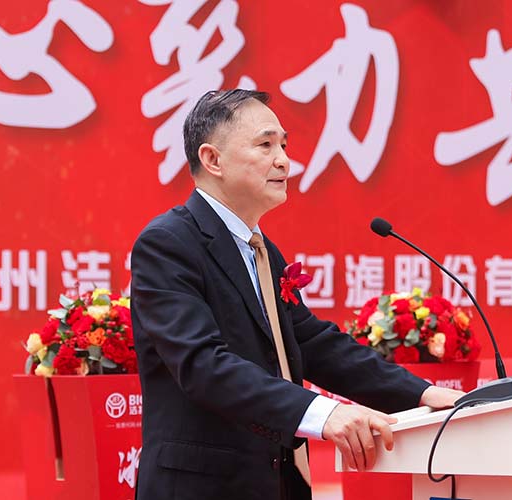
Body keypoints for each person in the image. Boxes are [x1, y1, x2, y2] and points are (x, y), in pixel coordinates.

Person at [130, 89, 464, 500]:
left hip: (277, 482)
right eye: (266, 145)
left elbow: (312, 343)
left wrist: (422, 393)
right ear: (213, 159)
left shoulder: (261, 250)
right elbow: (202, 364)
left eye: (284, 146)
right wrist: (323, 413)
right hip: (203, 486)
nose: (284, 161)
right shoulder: (168, 244)